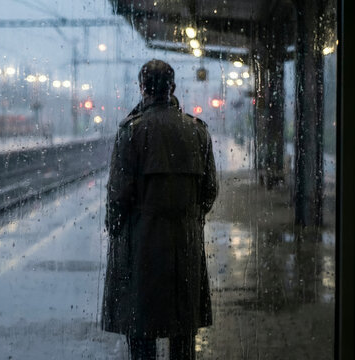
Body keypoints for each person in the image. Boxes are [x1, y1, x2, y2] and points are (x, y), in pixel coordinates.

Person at [102, 59, 218, 360]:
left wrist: (116, 229)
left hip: (141, 249)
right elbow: (209, 192)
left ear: (143, 88)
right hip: (186, 247)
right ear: (173, 88)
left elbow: (117, 197)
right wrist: (187, 219)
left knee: (141, 331)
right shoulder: (197, 132)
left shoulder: (131, 132)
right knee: (183, 332)